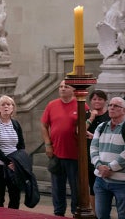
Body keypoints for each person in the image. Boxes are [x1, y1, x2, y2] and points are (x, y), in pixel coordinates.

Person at [90, 97, 125, 219]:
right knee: (101, 215)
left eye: (116, 106)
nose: (111, 107)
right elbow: (93, 149)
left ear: (124, 110)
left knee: (123, 215)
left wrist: (109, 168)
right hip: (101, 180)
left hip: (122, 182)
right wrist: (99, 166)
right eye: (110, 105)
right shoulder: (101, 126)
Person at [40, 80, 83, 216]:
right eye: (61, 87)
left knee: (76, 188)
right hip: (56, 153)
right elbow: (43, 125)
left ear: (73, 90)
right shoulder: (52, 105)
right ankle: (58, 213)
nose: (63, 89)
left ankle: (75, 212)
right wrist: (47, 144)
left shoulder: (81, 105)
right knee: (57, 188)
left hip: (74, 155)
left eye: (66, 86)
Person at [85, 90, 110, 212]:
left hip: (106, 154)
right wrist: (91, 117)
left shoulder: (109, 115)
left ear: (105, 101)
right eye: (94, 99)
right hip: (91, 155)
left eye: (100, 99)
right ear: (90, 101)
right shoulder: (87, 114)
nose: (97, 101)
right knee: (93, 186)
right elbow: (80, 131)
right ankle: (95, 213)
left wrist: (94, 136)